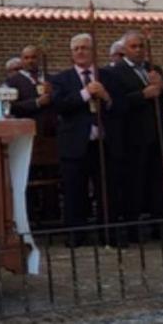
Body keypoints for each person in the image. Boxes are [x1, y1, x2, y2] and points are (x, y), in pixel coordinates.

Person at [104, 31, 163, 232]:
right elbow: (115, 104)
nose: (138, 50)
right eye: (133, 46)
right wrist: (142, 95)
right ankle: (133, 227)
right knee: (135, 181)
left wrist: (161, 86)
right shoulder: (114, 72)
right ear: (124, 50)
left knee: (158, 182)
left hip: (158, 133)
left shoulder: (154, 69)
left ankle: (160, 225)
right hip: (133, 136)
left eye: (141, 46)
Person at [50, 34, 118, 244]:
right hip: (75, 143)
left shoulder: (107, 76)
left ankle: (108, 233)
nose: (80, 52)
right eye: (76, 49)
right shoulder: (61, 79)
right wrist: (85, 93)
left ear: (93, 51)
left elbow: (121, 106)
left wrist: (106, 96)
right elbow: (60, 105)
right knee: (74, 190)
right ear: (71, 54)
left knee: (106, 190)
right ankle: (76, 235)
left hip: (103, 143)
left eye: (85, 48)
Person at [7, 45, 55, 136]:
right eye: (26, 58)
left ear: (39, 59)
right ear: (22, 60)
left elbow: (61, 101)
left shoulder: (50, 79)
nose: (30, 61)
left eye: (34, 57)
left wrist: (52, 93)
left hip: (51, 132)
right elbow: (12, 107)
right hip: (26, 132)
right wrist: (36, 102)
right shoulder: (13, 81)